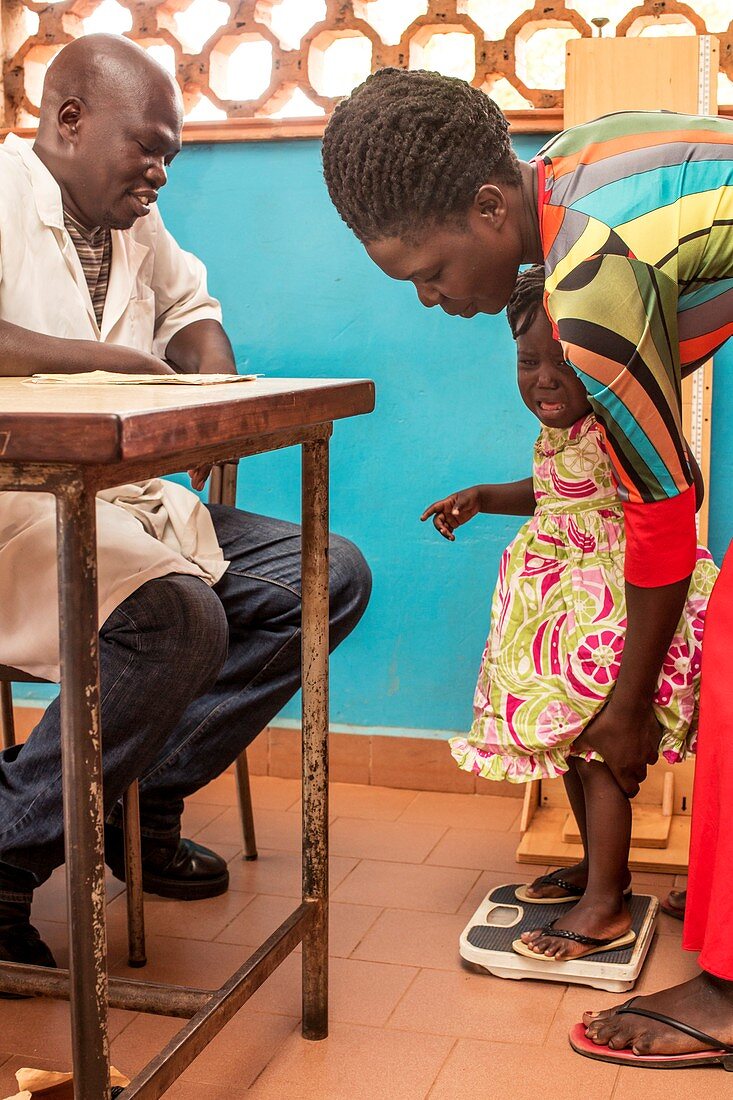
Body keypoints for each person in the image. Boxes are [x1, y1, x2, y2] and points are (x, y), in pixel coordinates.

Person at [322, 67, 733, 1065]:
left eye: (427, 270)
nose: (429, 298)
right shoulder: (556, 179)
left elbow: (662, 503)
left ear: (488, 206)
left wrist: (627, 703)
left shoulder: (586, 283)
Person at [0, 33, 371, 977]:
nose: (161, 170)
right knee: (174, 621)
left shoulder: (131, 221)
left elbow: (189, 310)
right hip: (15, 504)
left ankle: (143, 797)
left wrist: (205, 368)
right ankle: (8, 858)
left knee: (324, 578)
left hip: (116, 503)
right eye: (148, 146)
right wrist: (120, 367)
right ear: (68, 119)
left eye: (174, 152)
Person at [422, 266, 716, 961]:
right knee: (568, 746)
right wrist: (485, 496)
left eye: (564, 365)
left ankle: (607, 904)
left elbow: (683, 487)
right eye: (527, 362)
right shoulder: (569, 432)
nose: (544, 379)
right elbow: (555, 487)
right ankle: (596, 870)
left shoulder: (620, 425)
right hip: (560, 612)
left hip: (608, 611)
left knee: (595, 751)